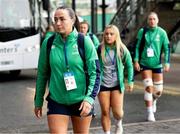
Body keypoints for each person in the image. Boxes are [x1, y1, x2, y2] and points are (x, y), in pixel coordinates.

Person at [34, 6, 100, 134]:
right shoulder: (48, 43)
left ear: (72, 20)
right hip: (57, 100)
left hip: (81, 101)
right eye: (55, 19)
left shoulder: (84, 41)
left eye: (62, 19)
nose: (58, 23)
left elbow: (95, 73)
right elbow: (42, 74)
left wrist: (89, 99)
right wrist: (38, 100)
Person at [134, 12, 170, 122]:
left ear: (157, 20)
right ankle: (150, 113)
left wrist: (167, 62)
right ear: (147, 20)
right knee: (149, 88)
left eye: (154, 19)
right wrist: (136, 60)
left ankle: (154, 100)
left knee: (158, 91)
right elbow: (136, 47)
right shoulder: (142, 32)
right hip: (145, 64)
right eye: (150, 19)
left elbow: (167, 49)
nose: (152, 21)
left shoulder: (162, 33)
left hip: (157, 64)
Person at [97, 25, 134, 134]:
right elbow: (92, 64)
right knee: (105, 112)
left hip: (117, 85)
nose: (108, 36)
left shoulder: (121, 49)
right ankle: (107, 132)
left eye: (111, 34)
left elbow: (129, 65)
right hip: (103, 84)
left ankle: (118, 123)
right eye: (106, 34)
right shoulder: (99, 48)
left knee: (118, 112)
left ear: (116, 35)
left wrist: (130, 81)